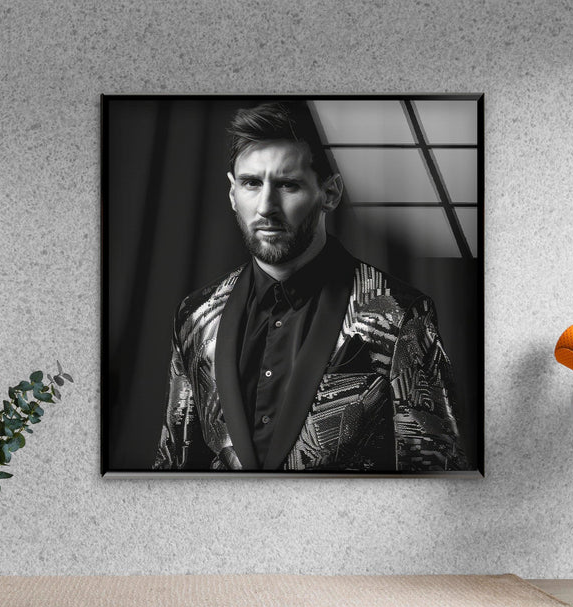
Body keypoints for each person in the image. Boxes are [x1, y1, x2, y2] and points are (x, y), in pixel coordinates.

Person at [153, 101, 468, 472]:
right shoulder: (196, 315)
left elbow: (434, 475)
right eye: (251, 183)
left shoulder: (399, 315)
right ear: (232, 193)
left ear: (330, 193)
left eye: (288, 185)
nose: (266, 207)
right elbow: (175, 464)